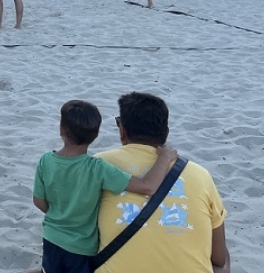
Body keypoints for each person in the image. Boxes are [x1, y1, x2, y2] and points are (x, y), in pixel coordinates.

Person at [33, 100, 178, 273]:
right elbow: (148, 187)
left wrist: (59, 213)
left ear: (61, 129)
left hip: (51, 237)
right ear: (95, 135)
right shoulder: (98, 168)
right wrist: (164, 157)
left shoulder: (46, 160)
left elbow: (39, 201)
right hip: (81, 247)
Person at [95, 92, 230, 273]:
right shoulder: (201, 175)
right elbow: (219, 258)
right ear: (166, 133)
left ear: (122, 130)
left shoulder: (99, 164)